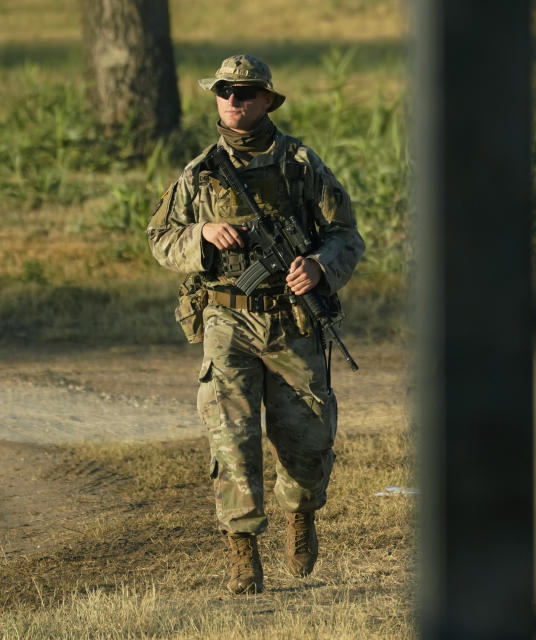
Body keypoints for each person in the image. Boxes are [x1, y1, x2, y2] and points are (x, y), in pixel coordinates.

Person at [147, 54, 364, 594]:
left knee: (307, 441)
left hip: (292, 322)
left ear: (268, 98)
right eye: (225, 91)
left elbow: (347, 236)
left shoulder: (301, 164)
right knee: (231, 442)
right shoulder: (198, 173)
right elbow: (160, 238)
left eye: (246, 92)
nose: (234, 102)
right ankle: (242, 551)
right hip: (227, 321)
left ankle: (300, 517)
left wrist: (318, 266)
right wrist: (202, 234)